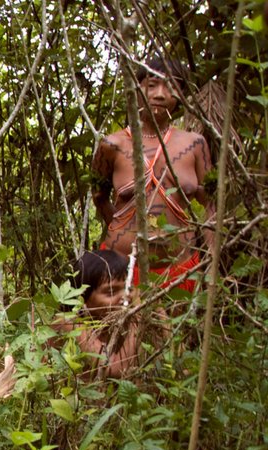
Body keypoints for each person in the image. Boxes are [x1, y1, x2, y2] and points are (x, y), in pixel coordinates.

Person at [91, 56, 213, 292]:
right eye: (152, 85)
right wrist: (122, 232)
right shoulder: (111, 145)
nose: (160, 94)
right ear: (137, 90)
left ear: (181, 94)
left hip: (181, 269)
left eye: (171, 86)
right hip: (121, 269)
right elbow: (99, 196)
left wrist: (211, 257)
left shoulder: (195, 145)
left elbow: (211, 204)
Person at [56, 249, 155, 378]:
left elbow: (171, 353)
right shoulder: (68, 322)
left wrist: (156, 307)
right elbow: (112, 369)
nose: (125, 297)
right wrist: (138, 315)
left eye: (128, 289)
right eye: (111, 292)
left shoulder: (118, 324)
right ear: (82, 298)